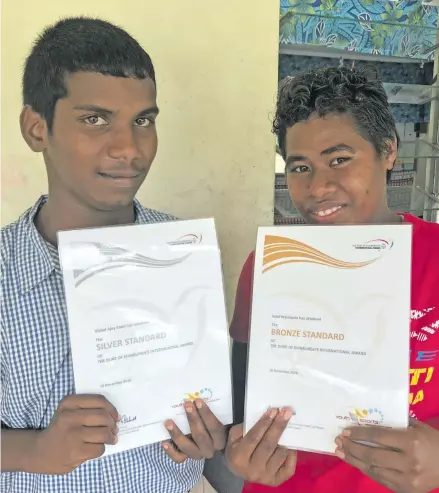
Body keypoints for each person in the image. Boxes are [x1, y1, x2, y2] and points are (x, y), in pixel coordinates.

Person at [1, 17, 224, 493]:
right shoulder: (4, 273)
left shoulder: (184, 252)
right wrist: (32, 451)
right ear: (37, 128)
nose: (129, 149)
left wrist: (210, 434)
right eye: (95, 119)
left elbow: (207, 409)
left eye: (143, 121)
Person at [224, 67, 439, 493]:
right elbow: (238, 413)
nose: (318, 186)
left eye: (340, 160)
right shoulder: (267, 269)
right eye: (300, 166)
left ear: (388, 150)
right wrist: (239, 455)